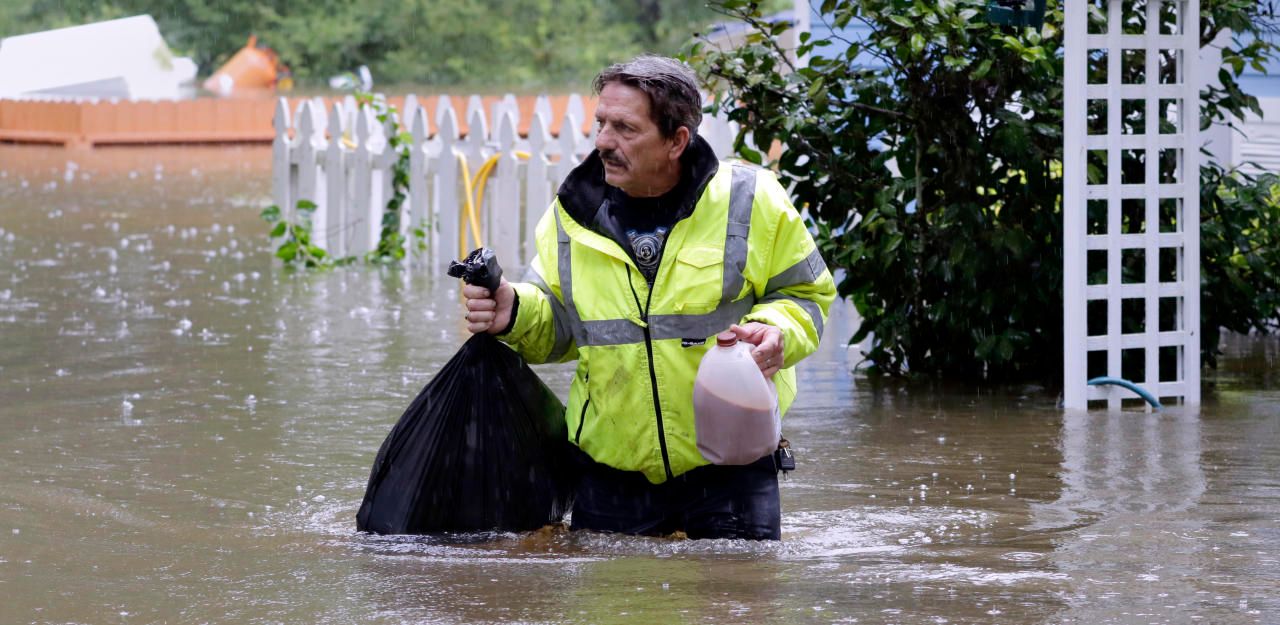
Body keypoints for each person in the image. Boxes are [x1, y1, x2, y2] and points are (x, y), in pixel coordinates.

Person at [461, 55, 835, 540]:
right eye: (601, 123)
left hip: (733, 468)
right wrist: (513, 310)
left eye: (625, 128)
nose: (602, 142)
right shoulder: (570, 216)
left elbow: (806, 295)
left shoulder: (752, 199)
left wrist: (778, 331)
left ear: (677, 140)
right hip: (610, 473)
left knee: (740, 603)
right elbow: (560, 329)